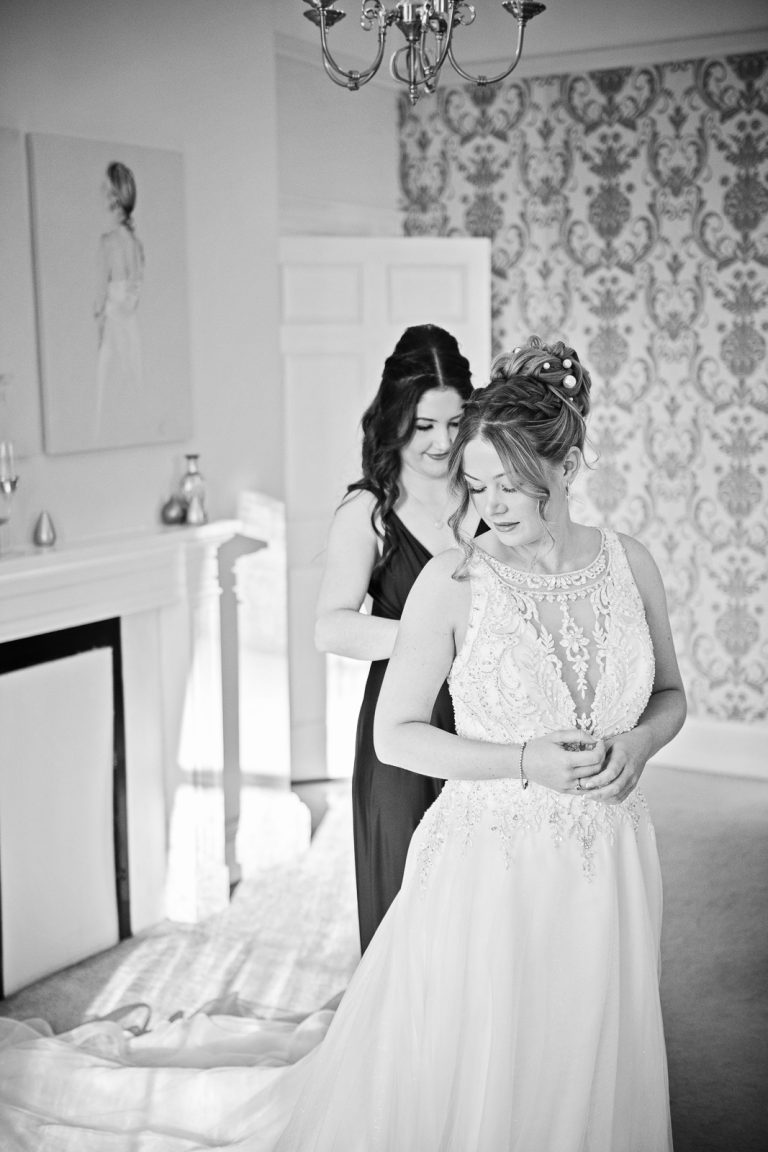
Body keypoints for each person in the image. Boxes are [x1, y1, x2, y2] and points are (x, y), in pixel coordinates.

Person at [0, 337, 685, 1151]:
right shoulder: (453, 581)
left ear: (567, 467)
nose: (491, 505)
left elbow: (670, 695)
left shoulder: (630, 564)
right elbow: (395, 735)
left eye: (510, 484)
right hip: (493, 867)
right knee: (484, 1060)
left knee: (588, 1044)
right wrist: (522, 761)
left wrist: (641, 743)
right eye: (477, 485)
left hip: (613, 855)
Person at [315, 323, 479, 952]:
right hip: (405, 719)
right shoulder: (370, 511)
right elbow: (331, 624)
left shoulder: (490, 491)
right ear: (395, 418)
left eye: (455, 423)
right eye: (423, 425)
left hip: (488, 716)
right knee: (407, 907)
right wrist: (430, 639)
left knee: (482, 900)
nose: (442, 442)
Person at [93, 161, 145, 433]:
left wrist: (103, 316)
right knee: (131, 379)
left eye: (106, 191)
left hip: (114, 319)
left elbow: (101, 294)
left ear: (115, 198)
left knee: (106, 380)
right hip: (127, 321)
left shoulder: (108, 242)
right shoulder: (135, 243)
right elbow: (135, 287)